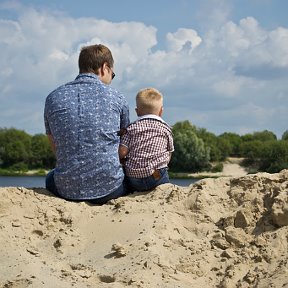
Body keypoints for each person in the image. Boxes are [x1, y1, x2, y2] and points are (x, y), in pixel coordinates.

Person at [44, 44, 130, 204]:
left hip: (66, 189)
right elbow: (124, 144)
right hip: (110, 189)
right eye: (113, 74)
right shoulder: (117, 98)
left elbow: (55, 146)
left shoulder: (52, 98)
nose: (111, 78)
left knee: (50, 177)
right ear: (105, 67)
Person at [119, 88, 174, 192]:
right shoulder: (166, 129)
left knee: (127, 176)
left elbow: (122, 152)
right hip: (156, 175)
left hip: (133, 176)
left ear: (137, 112)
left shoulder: (131, 128)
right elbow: (169, 154)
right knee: (162, 172)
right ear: (161, 111)